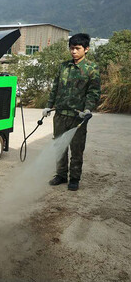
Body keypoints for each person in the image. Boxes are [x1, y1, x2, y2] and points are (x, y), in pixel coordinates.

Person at [43, 33, 101, 191]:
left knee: (76, 149)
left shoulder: (91, 69)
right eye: (71, 48)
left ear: (86, 49)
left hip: (78, 117)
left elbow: (93, 92)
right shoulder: (63, 66)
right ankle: (61, 175)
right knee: (59, 146)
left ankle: (74, 178)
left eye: (77, 48)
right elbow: (55, 88)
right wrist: (48, 106)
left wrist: (88, 109)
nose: (73, 51)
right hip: (60, 115)